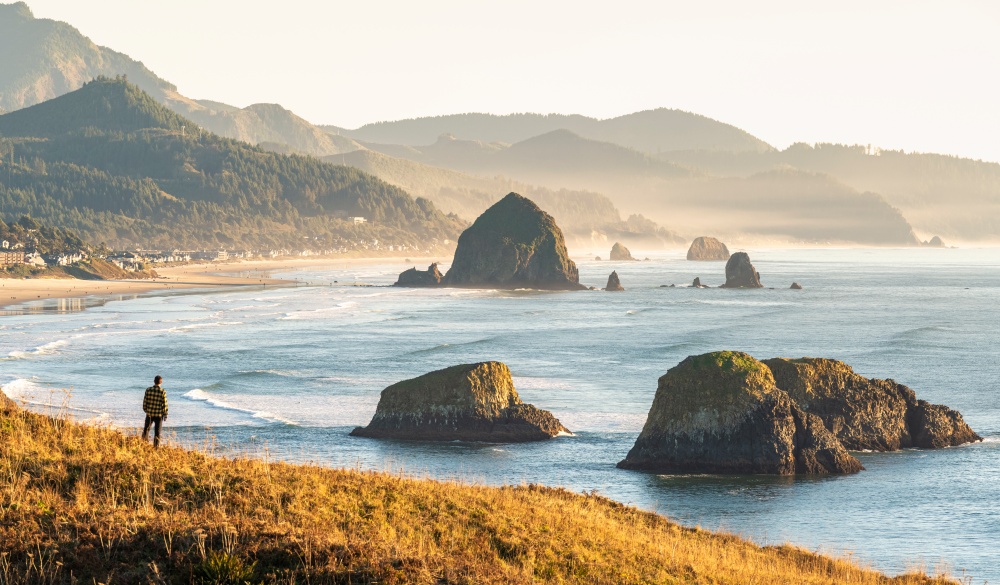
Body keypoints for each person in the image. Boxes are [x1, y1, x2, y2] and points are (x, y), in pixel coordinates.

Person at [141, 375, 168, 448]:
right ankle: (155, 447)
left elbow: (145, 402)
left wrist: (147, 410)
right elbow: (164, 404)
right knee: (157, 432)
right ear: (161, 382)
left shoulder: (148, 390)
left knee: (146, 429)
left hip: (149, 414)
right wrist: (165, 414)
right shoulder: (162, 391)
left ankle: (144, 444)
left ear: (154, 381)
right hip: (158, 415)